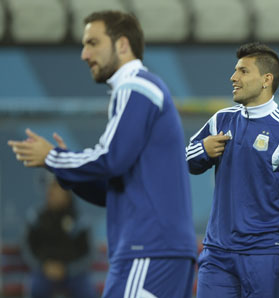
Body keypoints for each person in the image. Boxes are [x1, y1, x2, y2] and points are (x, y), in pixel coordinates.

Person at [8, 10, 196, 298]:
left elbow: (112, 158)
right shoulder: (134, 91)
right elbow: (112, 191)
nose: (84, 54)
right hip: (152, 249)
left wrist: (53, 158)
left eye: (93, 43)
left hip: (148, 248)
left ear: (122, 45)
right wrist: (65, 170)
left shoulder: (136, 87)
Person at [186, 42, 279, 297]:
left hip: (265, 255)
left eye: (243, 71)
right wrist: (203, 150)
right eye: (235, 71)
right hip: (217, 255)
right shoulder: (221, 120)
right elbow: (186, 160)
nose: (233, 77)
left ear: (266, 79)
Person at [22, 177, 97, 298]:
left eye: (57, 188)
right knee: (35, 287)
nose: (51, 192)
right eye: (50, 188)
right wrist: (43, 266)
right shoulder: (36, 217)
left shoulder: (80, 220)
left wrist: (67, 269)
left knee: (86, 290)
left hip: (74, 273)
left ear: (67, 193)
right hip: (44, 271)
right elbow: (28, 249)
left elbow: (89, 254)